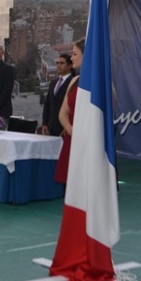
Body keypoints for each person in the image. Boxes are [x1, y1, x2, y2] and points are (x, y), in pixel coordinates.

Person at [53, 39, 83, 184]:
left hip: (90, 142)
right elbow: (63, 113)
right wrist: (70, 129)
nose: (72, 58)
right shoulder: (74, 81)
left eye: (75, 54)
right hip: (72, 139)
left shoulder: (103, 83)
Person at [41, 53, 74, 137]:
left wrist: (68, 125)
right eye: (57, 63)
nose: (58, 65)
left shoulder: (73, 82)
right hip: (51, 128)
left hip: (65, 129)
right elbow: (47, 104)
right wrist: (45, 123)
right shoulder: (53, 83)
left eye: (62, 63)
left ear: (70, 65)